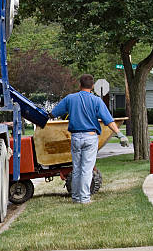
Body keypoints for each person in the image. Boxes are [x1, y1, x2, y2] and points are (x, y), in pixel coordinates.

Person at [50, 74, 129, 204]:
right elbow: (108, 120)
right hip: (90, 137)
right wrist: (119, 134)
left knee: (76, 168)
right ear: (92, 86)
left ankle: (75, 198)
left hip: (75, 137)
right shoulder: (96, 101)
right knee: (86, 169)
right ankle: (84, 198)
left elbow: (54, 113)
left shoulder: (70, 98)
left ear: (79, 85)